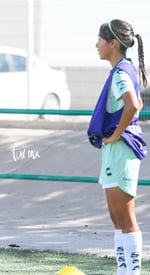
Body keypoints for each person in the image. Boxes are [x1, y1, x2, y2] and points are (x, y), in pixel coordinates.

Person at [88, 19, 147, 275]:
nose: (96, 45)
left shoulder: (122, 72)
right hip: (116, 150)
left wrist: (115, 135)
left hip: (122, 149)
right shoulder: (121, 69)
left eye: (100, 40)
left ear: (113, 43)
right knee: (116, 219)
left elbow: (134, 105)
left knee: (125, 218)